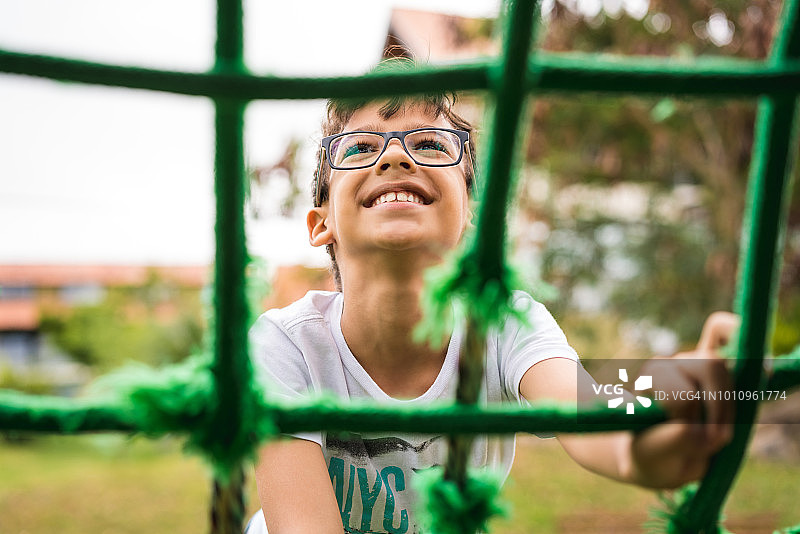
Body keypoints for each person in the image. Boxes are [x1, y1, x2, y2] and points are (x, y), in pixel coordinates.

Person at [245, 83, 737, 534]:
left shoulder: (504, 323)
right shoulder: (286, 344)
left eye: (430, 144)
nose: (394, 155)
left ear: (470, 215)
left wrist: (666, 412)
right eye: (360, 147)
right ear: (320, 224)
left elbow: (606, 432)